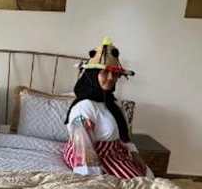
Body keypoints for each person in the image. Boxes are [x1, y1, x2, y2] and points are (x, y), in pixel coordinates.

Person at [63, 37, 148, 179]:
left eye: (114, 74)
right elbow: (83, 150)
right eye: (104, 72)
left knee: (147, 176)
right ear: (92, 75)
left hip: (115, 153)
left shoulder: (113, 104)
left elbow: (123, 136)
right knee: (138, 184)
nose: (110, 78)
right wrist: (95, 179)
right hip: (92, 154)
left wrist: (135, 154)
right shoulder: (84, 107)